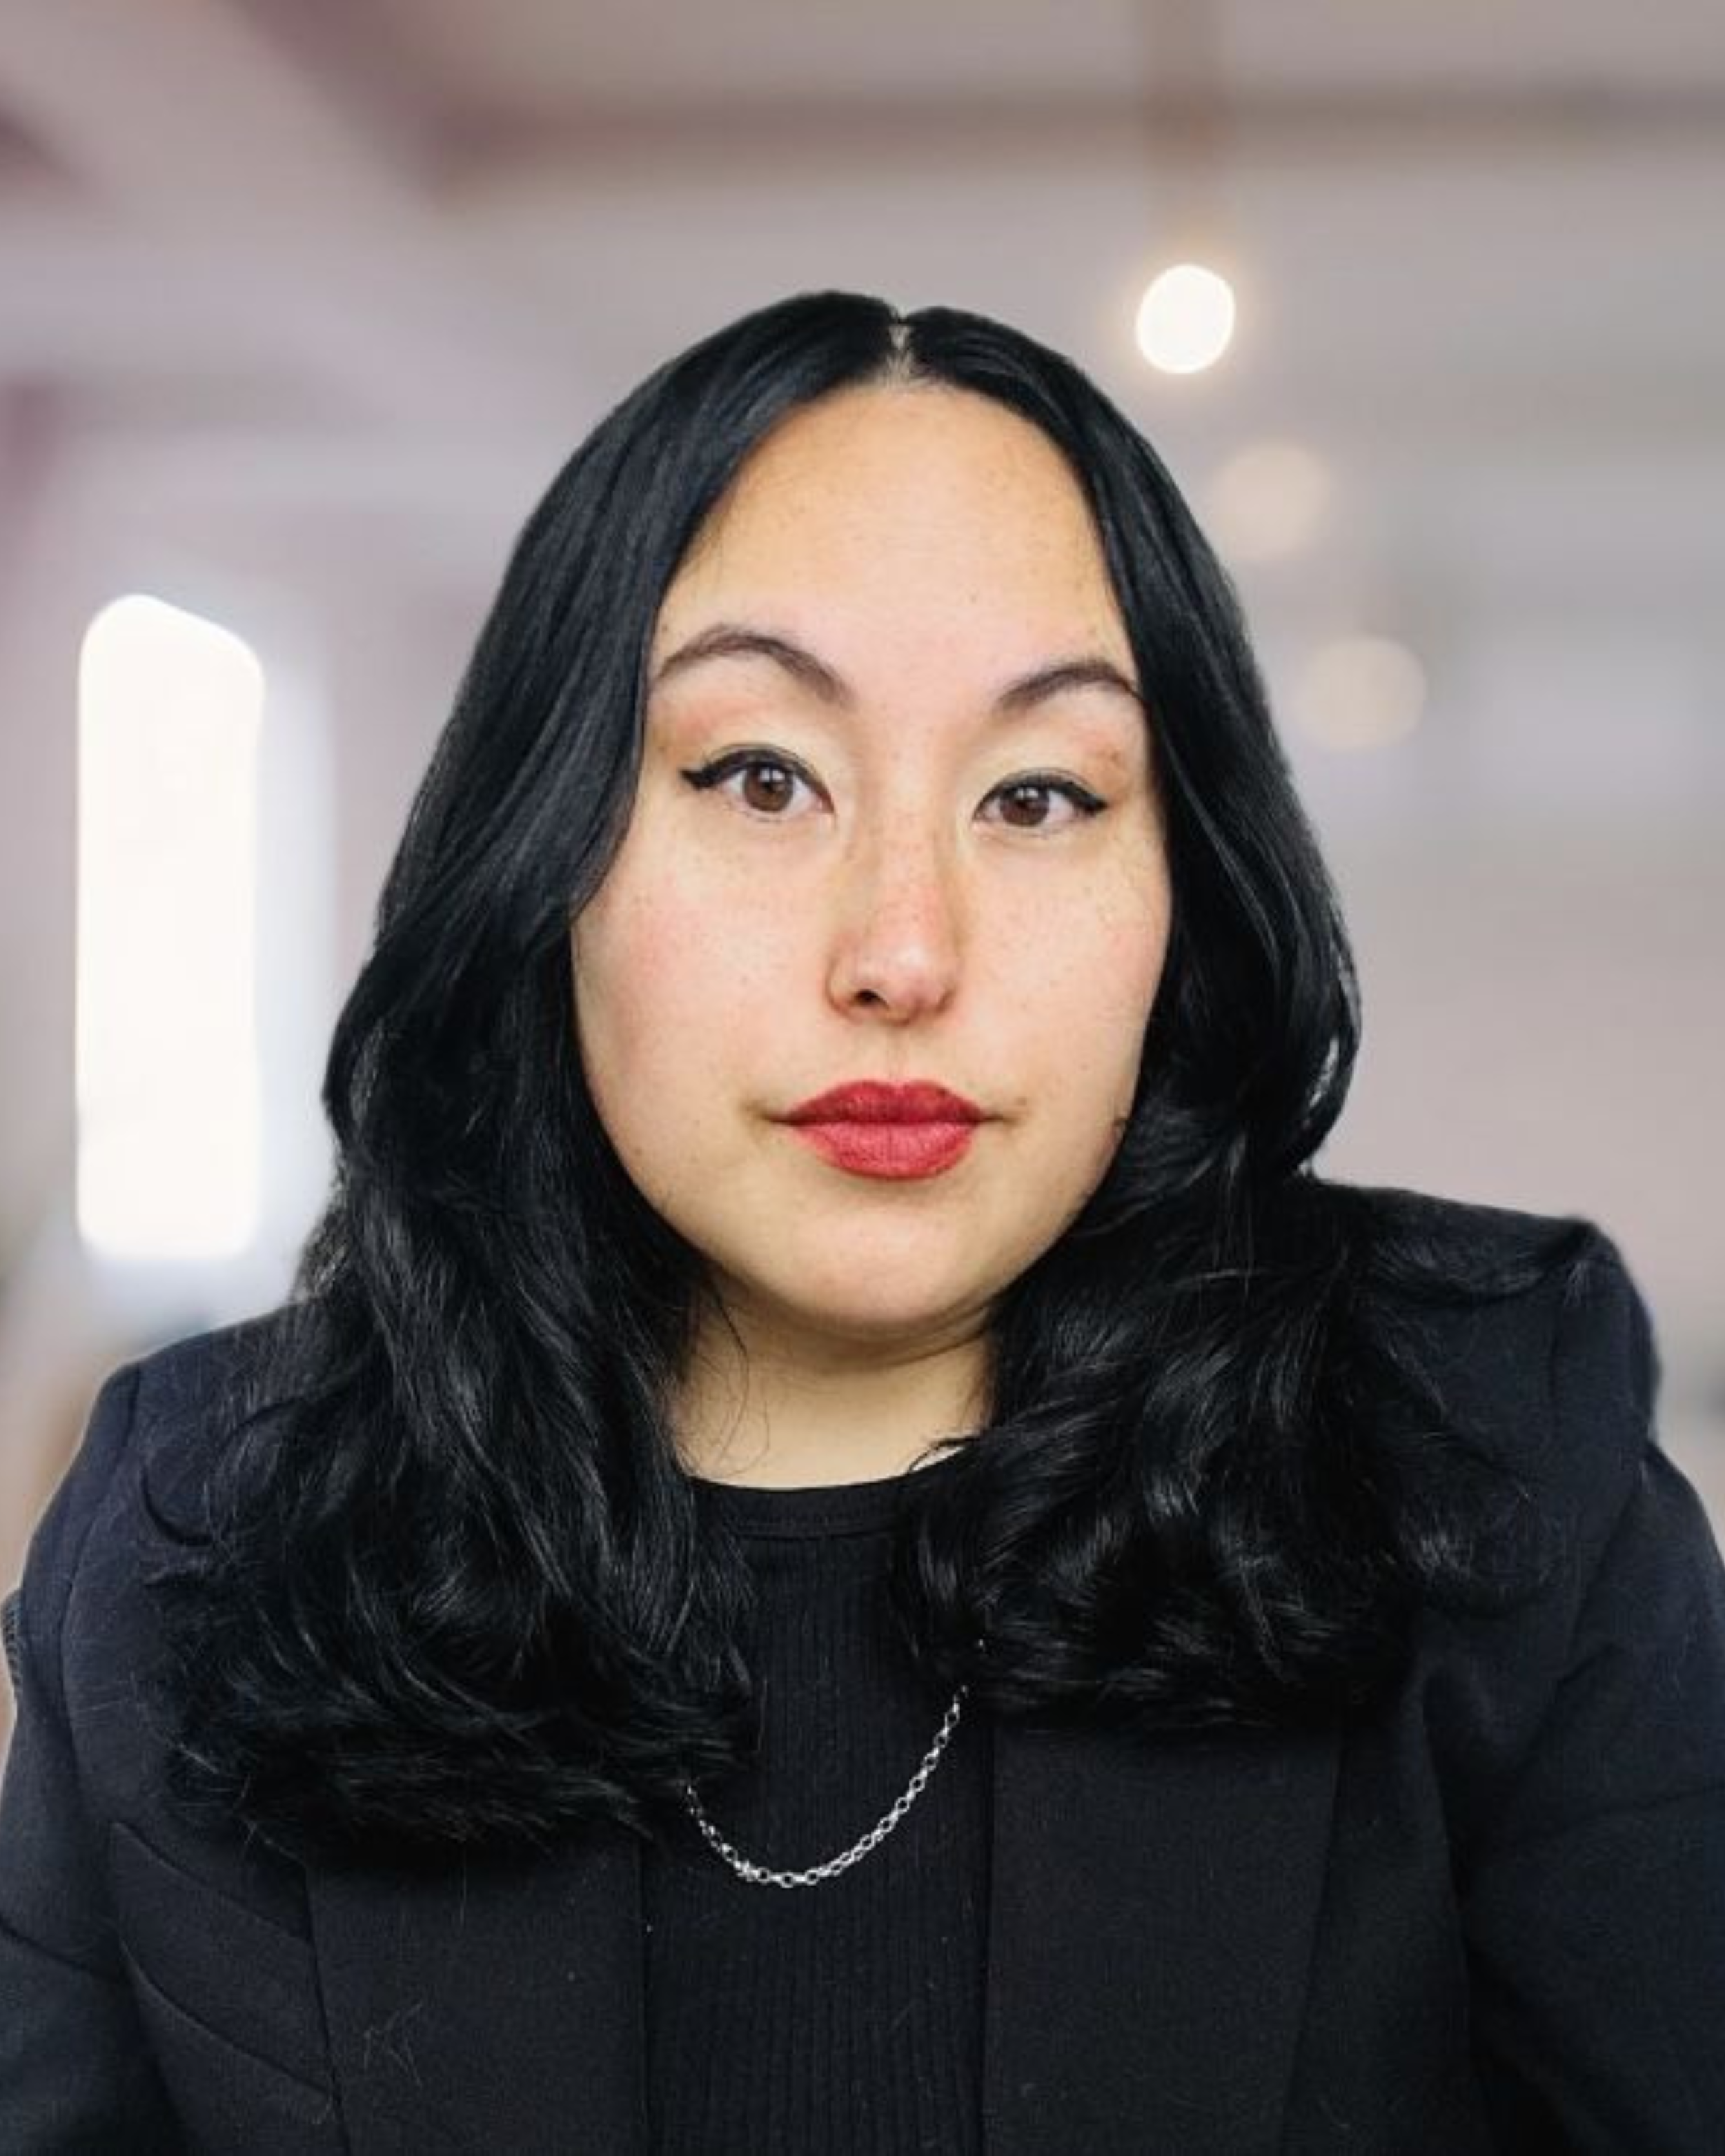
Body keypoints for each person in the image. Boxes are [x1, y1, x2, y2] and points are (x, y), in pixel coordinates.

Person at [1, 290, 1722, 2154]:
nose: (902, 951)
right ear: (547, 847)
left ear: (1183, 893)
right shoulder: (194, 1540)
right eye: (760, 778)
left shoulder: (1481, 1458)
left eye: (1041, 794)